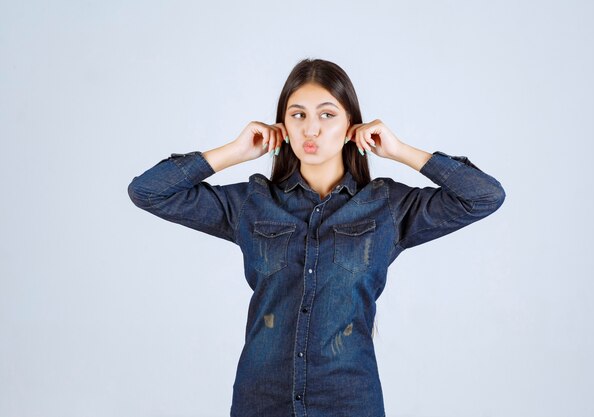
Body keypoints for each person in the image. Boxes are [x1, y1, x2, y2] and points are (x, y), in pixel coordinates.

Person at [127, 58, 506, 417]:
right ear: (283, 127)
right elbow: (149, 191)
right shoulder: (253, 204)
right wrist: (235, 151)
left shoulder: (386, 207)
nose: (311, 129)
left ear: (350, 126)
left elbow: (484, 196)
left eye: (327, 115)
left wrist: (400, 151)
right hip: (261, 401)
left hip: (348, 400)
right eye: (298, 115)